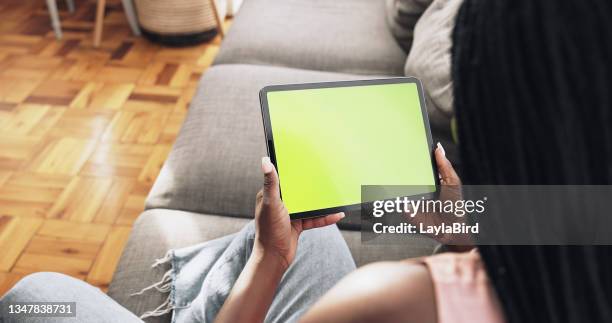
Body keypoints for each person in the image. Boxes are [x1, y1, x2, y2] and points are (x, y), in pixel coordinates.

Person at [3, 0, 611, 322]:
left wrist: (270, 262)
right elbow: (543, 222)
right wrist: (453, 232)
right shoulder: (586, 222)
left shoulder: (392, 301)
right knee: (318, 237)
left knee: (37, 296)